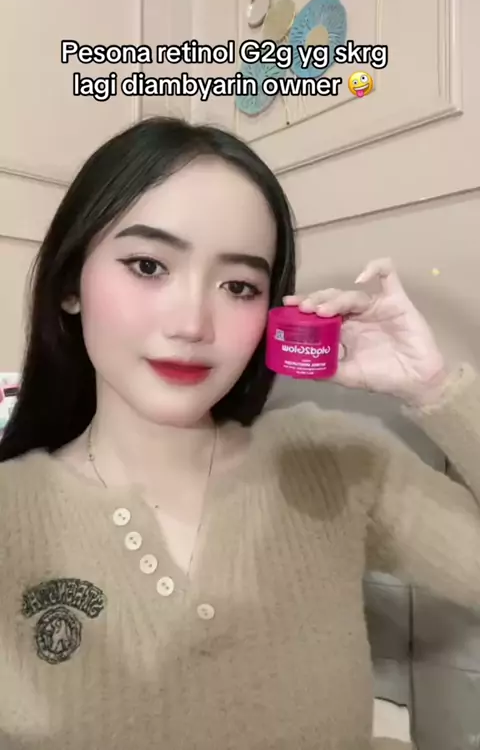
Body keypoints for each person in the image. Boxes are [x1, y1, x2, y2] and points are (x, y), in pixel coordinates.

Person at [0, 115, 478, 750]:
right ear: (70, 285)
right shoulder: (11, 508)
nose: (193, 323)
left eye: (239, 286)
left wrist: (436, 390)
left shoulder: (333, 460)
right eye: (148, 265)